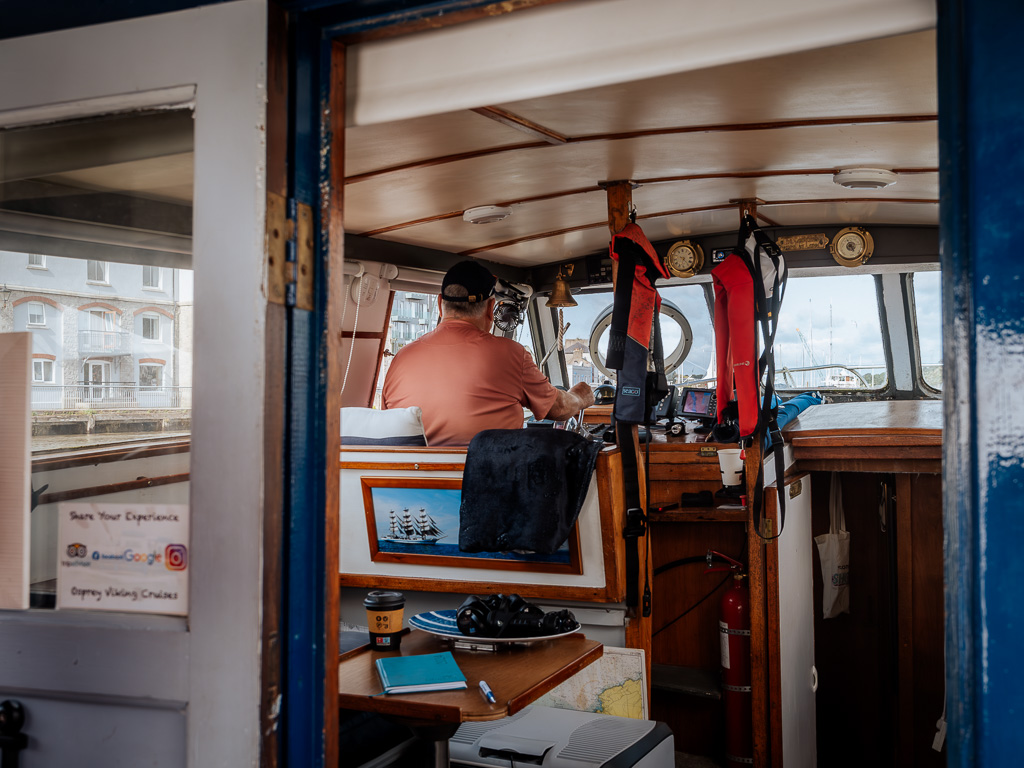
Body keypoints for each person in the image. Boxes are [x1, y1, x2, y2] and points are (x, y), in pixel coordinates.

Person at [383, 260, 594, 446]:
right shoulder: (511, 354)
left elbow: (388, 426)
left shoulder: (401, 359)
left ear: (440, 304)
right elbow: (557, 409)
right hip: (490, 486)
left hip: (412, 487)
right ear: (490, 307)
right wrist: (581, 396)